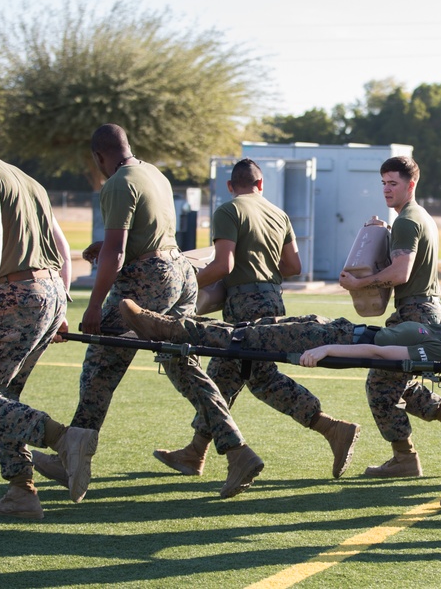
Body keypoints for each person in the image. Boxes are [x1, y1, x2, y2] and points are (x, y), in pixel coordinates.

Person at [33, 124, 263, 499]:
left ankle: (71, 456)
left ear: (99, 157)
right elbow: (146, 234)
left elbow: (118, 254)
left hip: (146, 281)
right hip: (180, 273)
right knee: (183, 366)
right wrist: (104, 245)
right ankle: (237, 450)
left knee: (101, 368)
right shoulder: (153, 173)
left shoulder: (117, 183)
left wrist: (93, 306)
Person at [152, 159, 360, 480]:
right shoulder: (279, 214)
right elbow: (293, 266)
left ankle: (332, 428)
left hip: (243, 305)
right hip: (273, 300)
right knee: (226, 377)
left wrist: (186, 285)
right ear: (261, 185)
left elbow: (222, 265)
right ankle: (196, 451)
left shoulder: (228, 210)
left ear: (231, 186)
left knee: (257, 378)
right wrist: (261, 267)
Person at [0, 121, 96, 519]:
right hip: (48, 293)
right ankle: (21, 492)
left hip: (16, 295)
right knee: (1, 400)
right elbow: (61, 244)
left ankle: (64, 439)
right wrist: (60, 302)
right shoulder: (27, 180)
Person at [339, 156, 441, 478]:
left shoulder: (406, 220)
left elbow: (401, 272)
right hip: (423, 310)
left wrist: (359, 283)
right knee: (393, 383)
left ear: (411, 184)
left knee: (379, 387)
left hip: (418, 311)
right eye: (384, 183)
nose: (387, 190)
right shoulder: (418, 217)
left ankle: (405, 459)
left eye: (394, 184)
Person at [118, 299, 441, 368]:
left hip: (339, 340)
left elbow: (380, 355)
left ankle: (162, 326)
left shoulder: (438, 351)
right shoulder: (440, 333)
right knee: (252, 329)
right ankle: (160, 324)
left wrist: (326, 348)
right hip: (340, 329)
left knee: (240, 340)